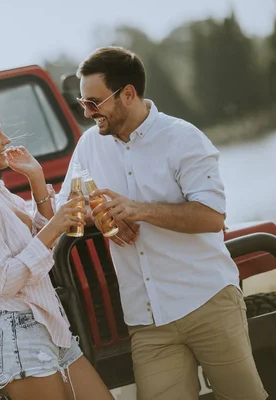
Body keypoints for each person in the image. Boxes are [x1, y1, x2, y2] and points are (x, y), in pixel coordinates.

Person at [57, 46, 267, 400]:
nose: (88, 112)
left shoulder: (183, 137)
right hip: (148, 321)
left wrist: (138, 210)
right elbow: (67, 209)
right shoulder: (89, 146)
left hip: (207, 301)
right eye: (83, 103)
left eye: (94, 102)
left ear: (127, 94)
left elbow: (212, 216)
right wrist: (99, 215)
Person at [0, 98, 114, 400]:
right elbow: (4, 280)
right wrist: (55, 226)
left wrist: (36, 178)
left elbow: (46, 238)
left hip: (49, 328)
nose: (6, 140)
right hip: (20, 337)